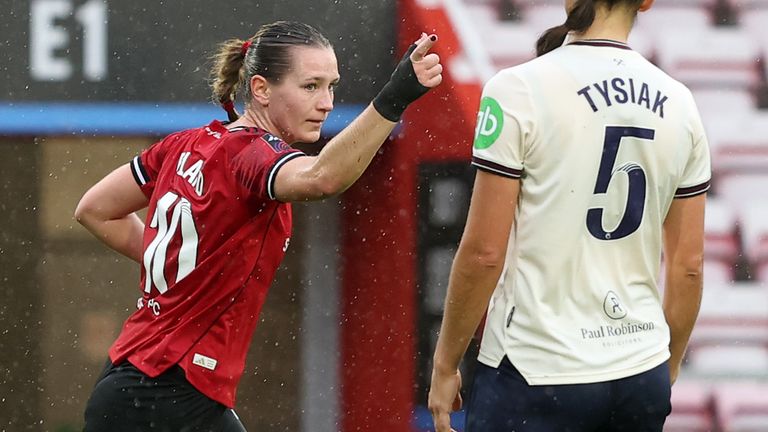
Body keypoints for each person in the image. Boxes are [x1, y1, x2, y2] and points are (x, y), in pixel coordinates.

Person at [75, 21, 442, 431]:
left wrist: (185, 264)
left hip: (130, 384)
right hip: (169, 394)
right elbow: (321, 178)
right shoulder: (251, 154)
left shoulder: (184, 144)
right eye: (310, 86)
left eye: (331, 86)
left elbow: (94, 209)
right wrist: (392, 100)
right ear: (262, 90)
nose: (326, 103)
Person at [428, 0, 709, 431]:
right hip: (638, 370)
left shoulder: (519, 88)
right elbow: (688, 267)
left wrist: (446, 363)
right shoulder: (681, 102)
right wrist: (663, 369)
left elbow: (485, 252)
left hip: (535, 370)